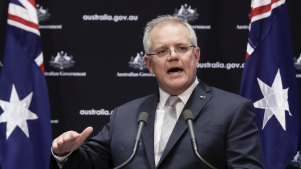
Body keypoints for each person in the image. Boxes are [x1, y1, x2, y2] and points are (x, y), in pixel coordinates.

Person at [50, 15, 264, 169]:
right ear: (149, 64)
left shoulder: (233, 110)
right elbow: (89, 164)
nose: (173, 56)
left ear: (196, 56)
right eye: (162, 51)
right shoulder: (124, 116)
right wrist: (64, 153)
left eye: (181, 48)